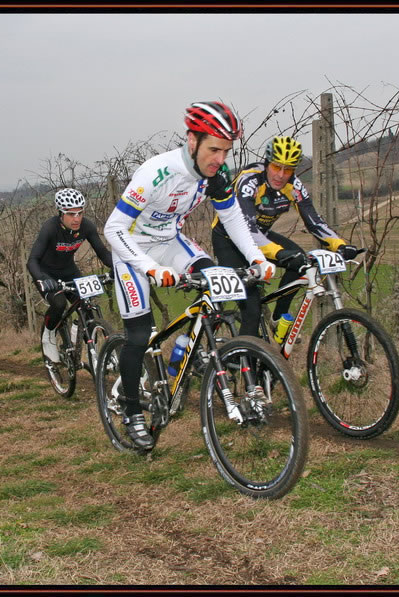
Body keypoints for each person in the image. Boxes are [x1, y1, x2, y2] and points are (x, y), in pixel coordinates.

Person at [102, 101, 275, 450]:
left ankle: (186, 351)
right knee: (139, 333)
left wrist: (257, 258)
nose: (219, 159)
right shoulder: (157, 172)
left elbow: (232, 219)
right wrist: (149, 268)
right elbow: (113, 228)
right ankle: (133, 411)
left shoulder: (217, 175)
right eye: (213, 149)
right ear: (192, 141)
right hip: (132, 250)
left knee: (216, 283)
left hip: (171, 243)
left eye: (226, 151)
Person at [211, 135, 357, 336]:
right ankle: (244, 360)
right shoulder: (250, 181)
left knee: (300, 260)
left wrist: (339, 245)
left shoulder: (293, 186)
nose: (280, 175)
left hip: (260, 236)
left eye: (288, 169)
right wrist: (279, 253)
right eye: (276, 167)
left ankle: (278, 317)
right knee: (251, 310)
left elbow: (314, 221)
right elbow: (246, 230)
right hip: (229, 239)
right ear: (267, 163)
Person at [27, 188, 113, 362]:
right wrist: (43, 279)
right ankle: (49, 334)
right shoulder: (50, 228)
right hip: (47, 274)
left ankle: (81, 339)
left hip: (69, 272)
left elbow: (103, 254)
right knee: (58, 304)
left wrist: (119, 268)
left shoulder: (86, 226)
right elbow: (32, 261)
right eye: (71, 214)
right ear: (61, 214)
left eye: (80, 213)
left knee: (87, 305)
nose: (77, 218)